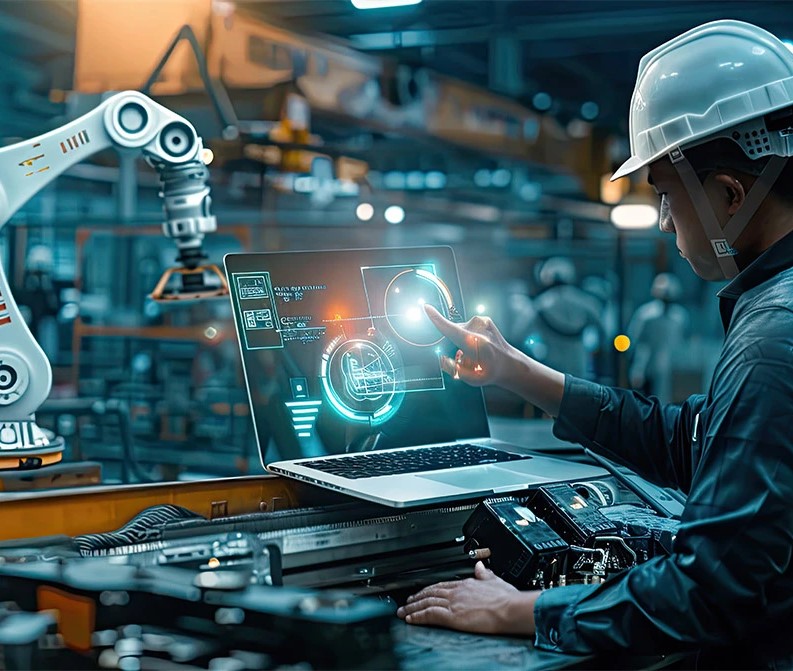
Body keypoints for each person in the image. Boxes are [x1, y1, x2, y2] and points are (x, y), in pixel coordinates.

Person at [397, 19, 793, 668]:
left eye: (665, 195)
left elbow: (708, 592)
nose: (664, 221)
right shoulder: (771, 310)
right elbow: (693, 443)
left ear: (727, 195)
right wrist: (518, 371)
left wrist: (515, 610)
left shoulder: (771, 339)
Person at [627, 272, 689, 402]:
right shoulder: (646, 314)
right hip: (647, 364)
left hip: (671, 366)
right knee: (646, 401)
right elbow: (635, 341)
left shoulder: (679, 316)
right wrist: (637, 368)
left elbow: (681, 342)